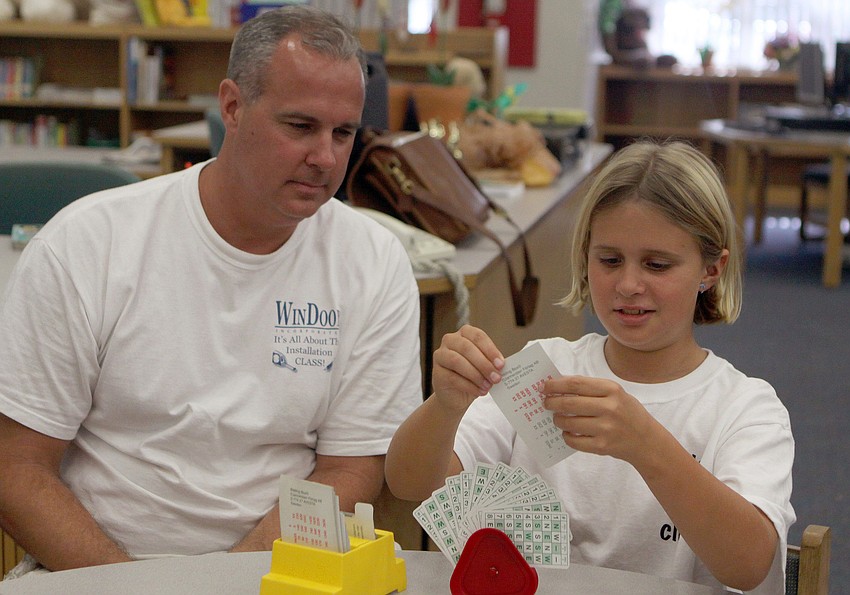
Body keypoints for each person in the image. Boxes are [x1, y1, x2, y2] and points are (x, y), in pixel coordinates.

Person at [0, 5, 422, 575]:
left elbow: (349, 469)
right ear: (232, 107)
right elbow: (16, 467)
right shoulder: (87, 243)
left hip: (277, 571)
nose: (325, 158)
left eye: (343, 133)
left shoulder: (373, 261)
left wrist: (227, 584)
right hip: (94, 571)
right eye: (299, 127)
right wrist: (131, 590)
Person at [385, 140, 795, 593]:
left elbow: (750, 564)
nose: (628, 284)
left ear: (711, 271)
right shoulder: (546, 370)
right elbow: (409, 482)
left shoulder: (744, 407)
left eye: (658, 265)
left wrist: (645, 443)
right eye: (609, 260)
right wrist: (445, 406)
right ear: (585, 256)